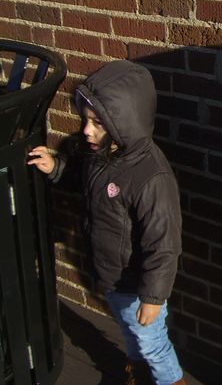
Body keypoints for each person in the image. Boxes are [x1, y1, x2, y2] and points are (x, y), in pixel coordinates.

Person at [29, 60, 185, 385]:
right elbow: (81, 180)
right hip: (111, 276)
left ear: (123, 121)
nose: (86, 130)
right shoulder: (100, 153)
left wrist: (153, 298)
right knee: (132, 335)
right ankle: (137, 373)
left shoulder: (150, 177)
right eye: (85, 120)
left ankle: (170, 382)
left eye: (98, 122)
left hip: (137, 285)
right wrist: (56, 167)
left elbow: (164, 245)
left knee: (153, 345)